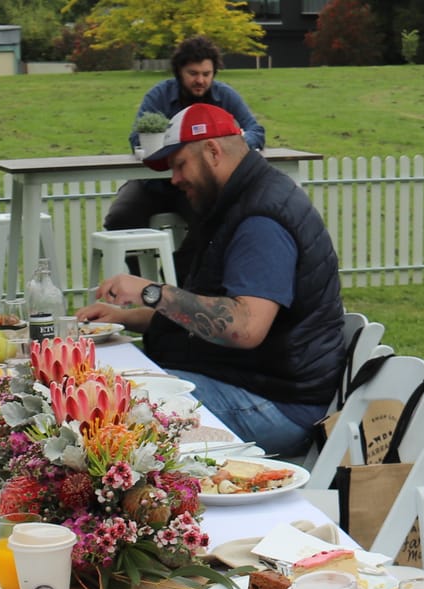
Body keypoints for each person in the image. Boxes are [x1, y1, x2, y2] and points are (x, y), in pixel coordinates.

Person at [76, 104, 345, 457]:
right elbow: (200, 312)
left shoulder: (261, 220)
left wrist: (150, 292)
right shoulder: (232, 205)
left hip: (278, 406)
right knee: (107, 391)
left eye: (179, 164)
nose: (174, 179)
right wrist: (123, 318)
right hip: (246, 382)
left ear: (213, 151)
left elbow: (244, 326)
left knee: (114, 412)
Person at [104, 35, 265, 234]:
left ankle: (183, 266)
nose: (201, 80)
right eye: (193, 73)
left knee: (209, 224)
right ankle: (145, 267)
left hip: (199, 185)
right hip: (154, 183)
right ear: (179, 72)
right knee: (119, 220)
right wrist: (180, 150)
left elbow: (256, 131)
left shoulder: (224, 96)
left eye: (207, 74)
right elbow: (138, 138)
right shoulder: (159, 95)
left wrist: (231, 144)